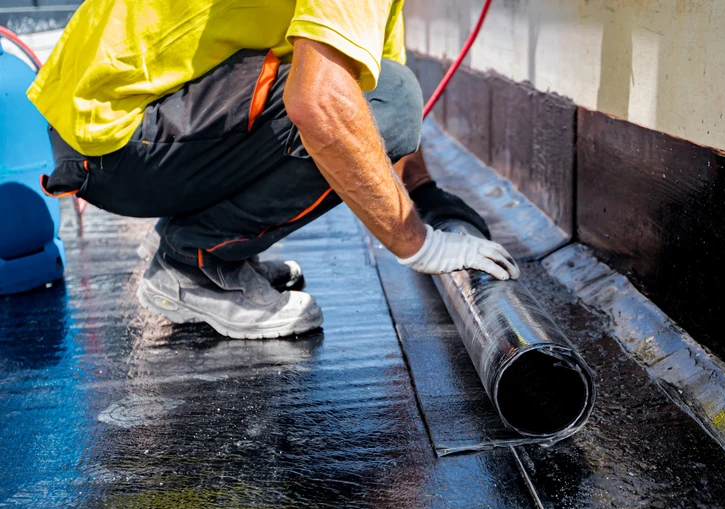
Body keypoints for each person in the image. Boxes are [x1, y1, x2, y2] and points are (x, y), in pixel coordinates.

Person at [28, 0, 520, 339]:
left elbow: (376, 75)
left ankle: (205, 240)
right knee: (362, 109)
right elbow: (327, 103)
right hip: (113, 136)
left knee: (379, 100)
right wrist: (420, 243)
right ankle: (195, 262)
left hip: (108, 117)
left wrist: (423, 190)